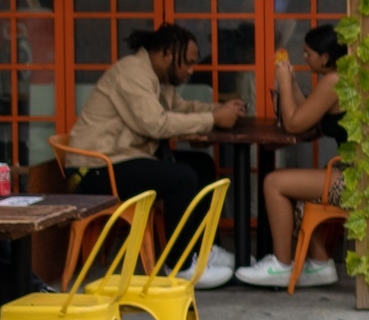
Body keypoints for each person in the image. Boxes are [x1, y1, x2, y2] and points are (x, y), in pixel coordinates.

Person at [63, 23, 241, 289]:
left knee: (202, 165)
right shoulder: (133, 73)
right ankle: (180, 265)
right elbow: (155, 124)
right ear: (168, 53)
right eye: (188, 63)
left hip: (122, 159)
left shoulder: (157, 78)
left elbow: (182, 108)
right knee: (181, 178)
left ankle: (203, 250)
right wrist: (213, 118)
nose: (191, 69)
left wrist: (219, 108)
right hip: (95, 169)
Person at [235, 25, 348, 289]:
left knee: (274, 183)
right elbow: (308, 115)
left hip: (355, 180)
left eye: (308, 53)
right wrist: (293, 84)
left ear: (325, 57)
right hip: (351, 172)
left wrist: (284, 83)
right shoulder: (337, 79)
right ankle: (320, 263)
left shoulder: (334, 81)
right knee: (296, 192)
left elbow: (294, 124)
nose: (304, 57)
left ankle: (281, 265)